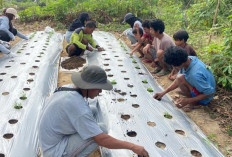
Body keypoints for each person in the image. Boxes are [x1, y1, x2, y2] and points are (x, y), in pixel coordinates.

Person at [39, 65, 149, 157]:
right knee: (101, 129)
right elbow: (102, 139)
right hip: (54, 150)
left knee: (93, 109)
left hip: (49, 140)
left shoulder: (67, 88)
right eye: (98, 87)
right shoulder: (78, 107)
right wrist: (133, 147)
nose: (100, 91)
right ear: (88, 87)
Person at [153, 46, 215, 112]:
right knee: (180, 78)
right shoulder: (188, 59)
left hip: (206, 98)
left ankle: (195, 103)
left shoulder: (194, 75)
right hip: (202, 86)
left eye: (173, 65)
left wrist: (189, 100)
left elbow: (210, 92)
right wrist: (163, 92)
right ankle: (190, 95)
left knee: (180, 78)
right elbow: (178, 79)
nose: (173, 67)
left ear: (178, 64)